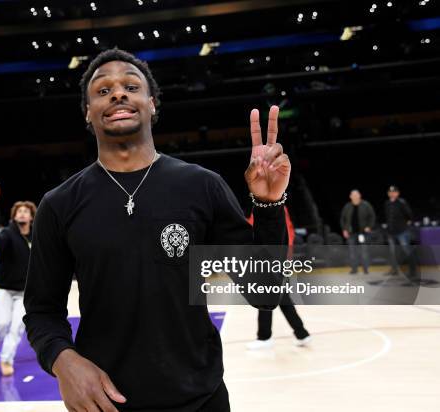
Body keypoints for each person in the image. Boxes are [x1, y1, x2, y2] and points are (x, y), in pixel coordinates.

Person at [23, 49, 289, 412]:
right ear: (88, 112)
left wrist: (268, 205)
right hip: (106, 401)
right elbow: (41, 309)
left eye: (131, 86)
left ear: (151, 103)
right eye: (102, 91)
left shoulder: (201, 186)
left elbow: (266, 292)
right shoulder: (59, 204)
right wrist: (63, 360)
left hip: (201, 399)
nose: (118, 94)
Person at [0, 201, 36, 376]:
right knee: (2, 324)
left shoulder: (37, 235)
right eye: (18, 211)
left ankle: (6, 360)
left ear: (31, 216)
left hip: (25, 292)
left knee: (16, 328)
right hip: (6, 289)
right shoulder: (7, 233)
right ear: (14, 216)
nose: (22, 214)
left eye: (25, 211)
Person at [246, 207, 311, 350]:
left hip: (274, 259)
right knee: (280, 297)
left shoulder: (274, 206)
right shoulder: (263, 205)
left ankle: (265, 337)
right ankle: (301, 333)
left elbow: (286, 230)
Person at [340, 189, 376, 274]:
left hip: (362, 233)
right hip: (351, 233)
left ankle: (365, 269)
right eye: (353, 195)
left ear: (360, 196)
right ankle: (354, 269)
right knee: (352, 252)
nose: (355, 197)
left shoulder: (366, 205)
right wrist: (344, 229)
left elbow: (372, 216)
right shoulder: (347, 206)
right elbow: (342, 219)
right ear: (350, 197)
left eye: (356, 195)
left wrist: (369, 226)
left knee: (363, 251)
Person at [384, 185, 417, 277]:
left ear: (398, 193)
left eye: (394, 192)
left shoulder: (402, 202)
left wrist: (407, 222)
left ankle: (413, 271)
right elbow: (387, 217)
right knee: (392, 252)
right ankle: (394, 270)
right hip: (391, 232)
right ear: (388, 193)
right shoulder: (387, 203)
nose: (392, 193)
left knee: (407, 250)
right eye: (390, 192)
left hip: (402, 231)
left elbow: (409, 214)